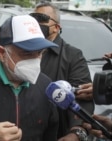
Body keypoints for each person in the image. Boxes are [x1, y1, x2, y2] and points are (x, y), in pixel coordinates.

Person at [30, 1, 94, 140]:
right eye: (32, 18)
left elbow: (82, 96)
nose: (35, 23)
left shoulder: (72, 56)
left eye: (41, 19)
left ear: (56, 27)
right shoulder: (22, 51)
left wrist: (77, 131)